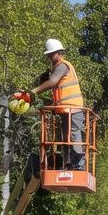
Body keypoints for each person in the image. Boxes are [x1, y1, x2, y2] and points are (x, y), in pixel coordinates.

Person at [27, 38, 86, 170]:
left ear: (59, 52)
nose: (49, 57)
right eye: (48, 55)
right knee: (65, 137)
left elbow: (52, 82)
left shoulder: (63, 66)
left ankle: (79, 165)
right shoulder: (56, 68)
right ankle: (69, 164)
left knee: (73, 134)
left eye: (51, 54)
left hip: (74, 108)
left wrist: (34, 91)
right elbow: (54, 85)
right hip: (65, 109)